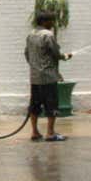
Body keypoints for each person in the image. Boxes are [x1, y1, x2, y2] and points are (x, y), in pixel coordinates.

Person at [25, 9, 73, 142]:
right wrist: (66, 56)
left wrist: (35, 66)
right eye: (51, 20)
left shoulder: (31, 35)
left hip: (35, 78)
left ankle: (35, 132)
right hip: (48, 78)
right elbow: (56, 54)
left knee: (34, 106)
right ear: (45, 21)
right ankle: (50, 133)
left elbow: (27, 54)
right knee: (51, 106)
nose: (53, 23)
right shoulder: (48, 35)